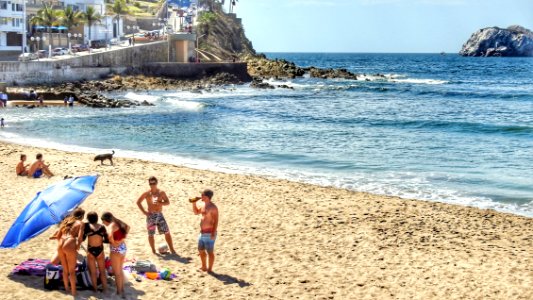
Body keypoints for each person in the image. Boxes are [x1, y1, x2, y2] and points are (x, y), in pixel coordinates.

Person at [136, 176, 176, 254]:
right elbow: (138, 202)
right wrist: (144, 212)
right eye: (150, 183)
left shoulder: (161, 192)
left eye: (153, 183)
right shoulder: (147, 193)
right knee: (151, 234)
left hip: (160, 215)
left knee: (167, 232)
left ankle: (172, 249)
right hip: (151, 216)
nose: (152, 185)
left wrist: (160, 203)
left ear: (156, 183)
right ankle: (153, 250)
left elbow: (167, 202)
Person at [52, 208, 85, 297]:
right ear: (81, 216)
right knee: (72, 271)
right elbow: (80, 237)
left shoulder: (66, 221)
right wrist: (77, 246)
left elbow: (58, 235)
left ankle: (67, 288)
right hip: (69, 242)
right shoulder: (81, 223)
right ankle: (74, 292)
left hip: (61, 243)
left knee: (65, 270)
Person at [101, 212, 129, 298]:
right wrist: (122, 239)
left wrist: (113, 242)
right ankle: (122, 289)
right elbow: (128, 227)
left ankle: (119, 292)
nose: (103, 223)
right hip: (123, 247)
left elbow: (109, 236)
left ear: (106, 220)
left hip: (115, 249)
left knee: (117, 273)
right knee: (120, 270)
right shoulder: (118, 222)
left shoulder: (111, 225)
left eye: (103, 221)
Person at [192, 189, 219, 272]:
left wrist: (213, 233)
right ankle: (204, 266)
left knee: (210, 252)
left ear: (207, 197)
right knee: (201, 250)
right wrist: (193, 203)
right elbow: (196, 212)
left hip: (209, 233)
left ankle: (210, 269)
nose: (201, 196)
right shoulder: (203, 205)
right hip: (202, 233)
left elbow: (216, 221)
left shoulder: (213, 208)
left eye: (202, 195)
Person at [84, 212, 108, 293]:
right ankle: (105, 289)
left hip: (90, 250)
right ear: (97, 218)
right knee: (102, 272)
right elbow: (107, 240)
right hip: (100, 250)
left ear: (88, 219)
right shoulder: (102, 227)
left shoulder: (87, 227)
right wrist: (100, 238)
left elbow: (83, 238)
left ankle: (95, 290)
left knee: (93, 273)